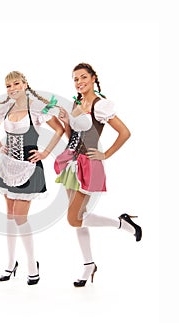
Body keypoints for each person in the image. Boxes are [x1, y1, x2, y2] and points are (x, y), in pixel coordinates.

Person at [55, 62, 142, 287]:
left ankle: (121, 224)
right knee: (79, 219)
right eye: (75, 79)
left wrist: (106, 155)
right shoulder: (77, 102)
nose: (79, 82)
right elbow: (71, 136)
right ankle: (88, 265)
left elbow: (125, 132)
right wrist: (65, 120)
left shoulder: (100, 105)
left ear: (94, 78)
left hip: (88, 163)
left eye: (83, 77)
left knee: (74, 218)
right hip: (70, 161)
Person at [0, 71, 64, 285]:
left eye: (16, 83)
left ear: (25, 84)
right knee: (9, 216)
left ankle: (33, 265)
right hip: (7, 166)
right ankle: (10, 262)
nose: (12, 88)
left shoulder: (36, 108)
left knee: (20, 219)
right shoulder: (5, 108)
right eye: (8, 85)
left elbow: (59, 130)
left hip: (28, 167)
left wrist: (45, 152)